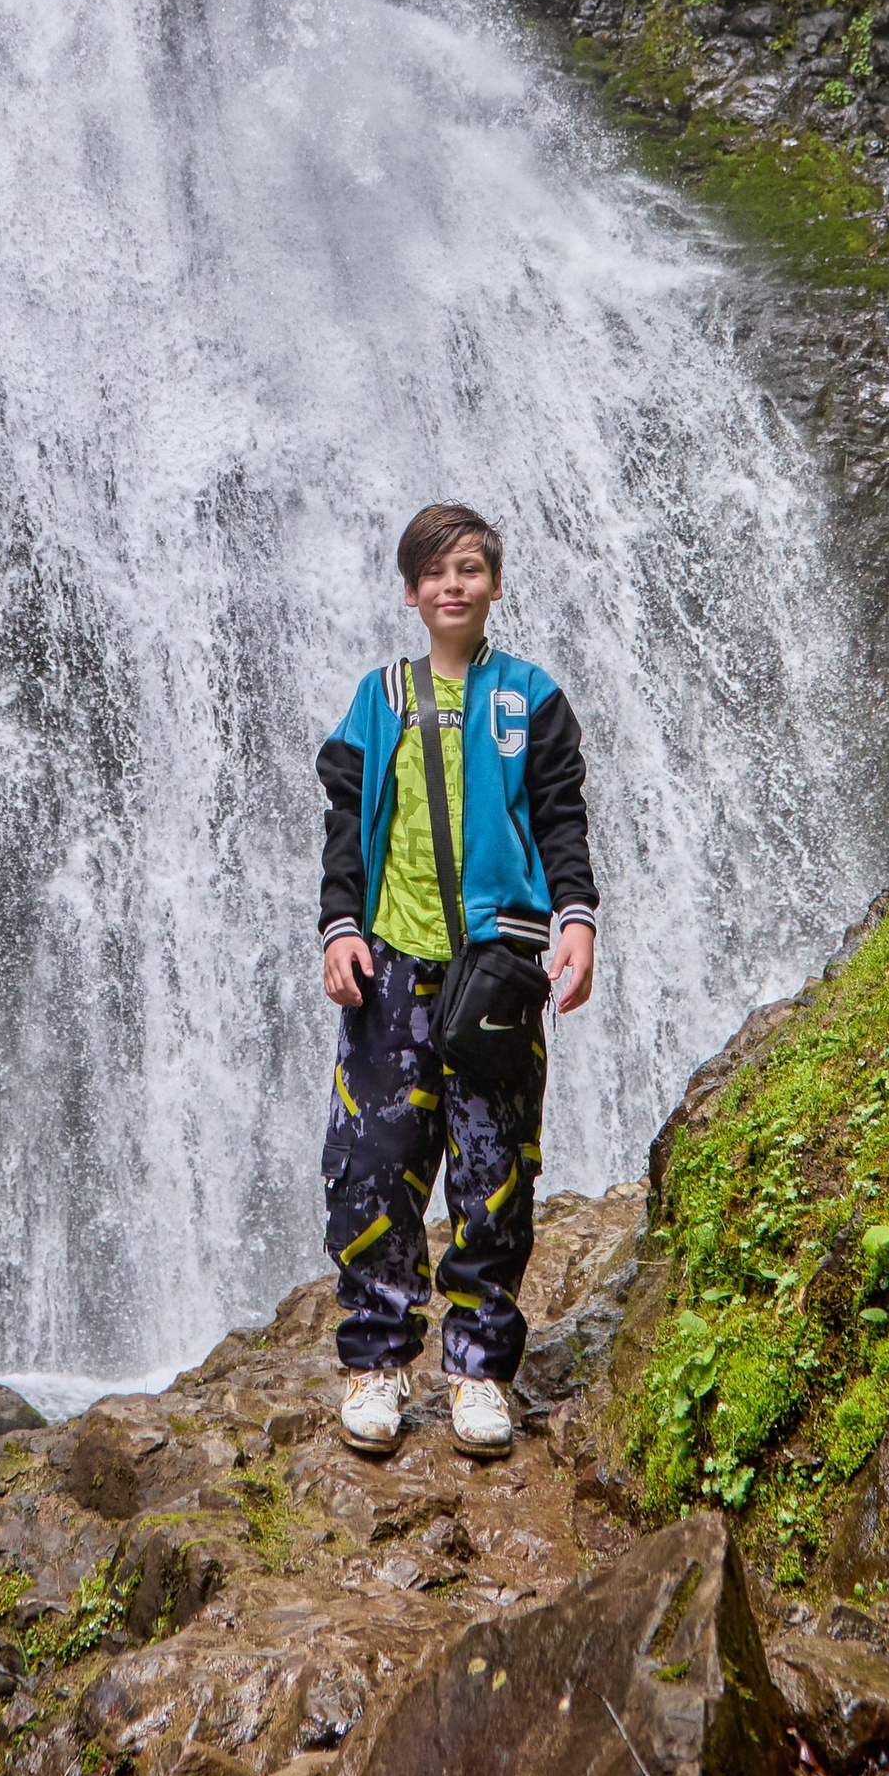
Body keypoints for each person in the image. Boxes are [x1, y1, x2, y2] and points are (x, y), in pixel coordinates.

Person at [316, 501, 597, 1461]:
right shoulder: (378, 698)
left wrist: (577, 922)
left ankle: (478, 1368)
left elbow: (561, 817)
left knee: (495, 1170)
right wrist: (339, 929)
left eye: (470, 568)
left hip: (500, 967)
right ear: (410, 591)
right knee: (375, 1164)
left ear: (494, 585)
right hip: (390, 965)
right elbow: (344, 822)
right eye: (436, 571)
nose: (453, 584)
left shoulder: (531, 697)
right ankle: (378, 1361)